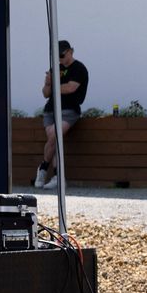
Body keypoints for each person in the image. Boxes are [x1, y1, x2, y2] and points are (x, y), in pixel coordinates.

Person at [36, 40, 87, 188]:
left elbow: (70, 88)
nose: (60, 59)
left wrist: (53, 85)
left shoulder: (79, 68)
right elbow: (46, 93)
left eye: (62, 55)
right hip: (50, 110)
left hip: (68, 110)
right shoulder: (55, 68)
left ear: (71, 51)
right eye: (57, 56)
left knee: (54, 136)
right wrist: (48, 83)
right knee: (54, 140)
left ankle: (44, 167)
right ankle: (57, 176)